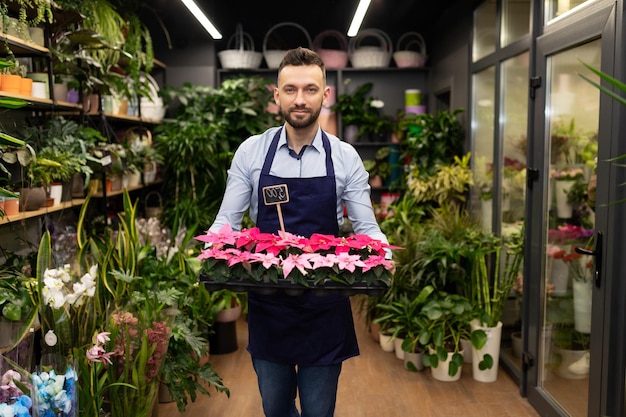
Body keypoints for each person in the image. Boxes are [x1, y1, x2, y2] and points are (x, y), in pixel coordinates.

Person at [208, 47, 390, 417]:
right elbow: (226, 222)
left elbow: (367, 229)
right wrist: (211, 250)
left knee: (319, 411)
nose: (300, 99)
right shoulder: (252, 153)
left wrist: (383, 255)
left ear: (325, 96)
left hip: (324, 308)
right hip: (269, 303)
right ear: (276, 96)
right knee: (275, 407)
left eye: (310, 89)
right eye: (290, 89)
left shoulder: (344, 157)